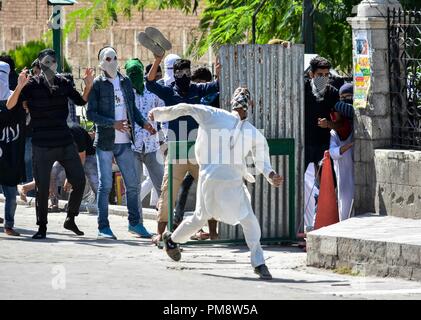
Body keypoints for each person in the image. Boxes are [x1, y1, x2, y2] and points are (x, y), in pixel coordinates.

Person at [148, 87, 283, 280]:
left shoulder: (251, 132)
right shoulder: (214, 115)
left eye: (245, 100)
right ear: (232, 102)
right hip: (209, 179)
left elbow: (262, 159)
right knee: (201, 218)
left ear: (250, 105)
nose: (242, 104)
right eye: (240, 99)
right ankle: (172, 239)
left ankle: (258, 262)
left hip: (233, 183)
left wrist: (271, 174)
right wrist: (160, 114)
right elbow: (187, 107)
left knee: (246, 219)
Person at [6, 48, 94, 239]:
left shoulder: (63, 83)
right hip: (42, 145)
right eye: (47, 61)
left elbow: (81, 102)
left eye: (53, 62)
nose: (50, 65)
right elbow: (10, 105)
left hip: (64, 141)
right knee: (42, 187)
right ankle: (42, 227)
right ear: (39, 63)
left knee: (79, 181)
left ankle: (70, 218)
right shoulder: (30, 86)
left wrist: (88, 86)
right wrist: (20, 87)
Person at [145, 54, 220, 244]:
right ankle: (160, 233)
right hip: (176, 149)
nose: (184, 76)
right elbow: (150, 83)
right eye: (180, 72)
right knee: (167, 191)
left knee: (207, 189)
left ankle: (213, 233)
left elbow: (217, 85)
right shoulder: (169, 92)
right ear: (175, 74)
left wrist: (220, 72)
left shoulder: (197, 89)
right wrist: (157, 60)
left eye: (187, 72)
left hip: (197, 149)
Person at [87, 46, 156, 240]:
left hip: (126, 141)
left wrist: (145, 124)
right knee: (105, 185)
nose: (113, 62)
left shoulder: (125, 82)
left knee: (133, 184)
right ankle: (103, 227)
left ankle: (135, 224)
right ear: (101, 62)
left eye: (115, 58)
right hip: (105, 142)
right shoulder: (98, 85)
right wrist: (113, 124)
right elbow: (91, 113)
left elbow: (132, 108)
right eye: (108, 59)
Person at [174, 66, 219, 240]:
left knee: (209, 190)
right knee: (189, 187)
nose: (197, 86)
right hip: (199, 149)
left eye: (200, 82)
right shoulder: (199, 101)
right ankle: (180, 223)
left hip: (213, 151)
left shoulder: (215, 99)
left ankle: (211, 231)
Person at [124, 58, 165, 215]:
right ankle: (135, 221)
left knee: (162, 186)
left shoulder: (152, 92)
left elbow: (163, 112)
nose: (134, 75)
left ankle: (167, 220)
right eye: (131, 73)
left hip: (152, 146)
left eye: (137, 72)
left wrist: (162, 135)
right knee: (133, 186)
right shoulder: (124, 94)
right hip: (131, 147)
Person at [304, 56, 339, 232]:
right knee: (301, 184)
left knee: (327, 182)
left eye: (326, 75)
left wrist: (329, 124)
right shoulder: (302, 90)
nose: (323, 78)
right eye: (319, 74)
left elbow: (340, 123)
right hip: (304, 144)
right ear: (311, 74)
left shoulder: (332, 93)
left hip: (323, 144)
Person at [0, 62, 27, 236]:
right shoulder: (15, 96)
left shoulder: (16, 97)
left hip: (11, 155)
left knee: (10, 194)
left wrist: (21, 86)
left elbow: (12, 104)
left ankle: (9, 225)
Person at [329, 85, 355, 221]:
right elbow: (332, 152)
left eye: (348, 97)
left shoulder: (356, 125)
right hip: (343, 172)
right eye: (342, 98)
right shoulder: (336, 131)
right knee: (344, 203)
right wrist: (343, 149)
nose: (345, 100)